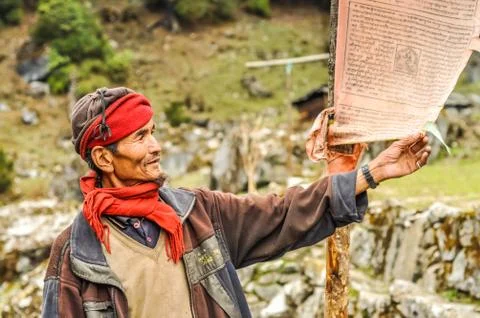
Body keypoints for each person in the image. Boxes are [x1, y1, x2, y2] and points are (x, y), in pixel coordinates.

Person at [41, 87, 431, 318]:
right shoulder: (77, 254)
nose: (156, 147)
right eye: (140, 138)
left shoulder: (198, 213)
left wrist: (371, 174)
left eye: (153, 132)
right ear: (105, 158)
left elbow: (282, 214)